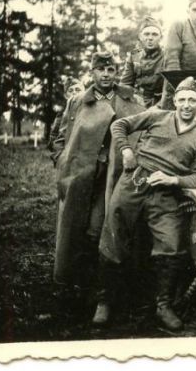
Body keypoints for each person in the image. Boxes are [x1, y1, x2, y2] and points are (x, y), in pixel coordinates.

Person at [94, 77, 196, 330]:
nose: (187, 105)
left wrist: (173, 179)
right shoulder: (157, 116)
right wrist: (126, 150)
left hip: (166, 194)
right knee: (114, 234)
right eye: (182, 99)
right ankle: (104, 302)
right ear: (174, 101)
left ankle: (163, 305)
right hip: (134, 181)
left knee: (171, 244)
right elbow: (120, 125)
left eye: (192, 100)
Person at [50, 51, 144, 285]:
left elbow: (141, 133)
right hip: (81, 173)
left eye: (111, 69)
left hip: (115, 174)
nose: (106, 74)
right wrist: (62, 160)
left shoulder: (130, 100)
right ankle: (78, 279)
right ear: (92, 72)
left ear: (117, 72)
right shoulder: (78, 101)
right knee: (75, 225)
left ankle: (103, 283)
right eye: (101, 69)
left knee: (101, 226)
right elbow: (62, 136)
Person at [120, 16, 165, 108]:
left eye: (154, 34)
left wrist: (159, 106)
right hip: (138, 102)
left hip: (161, 103)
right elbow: (125, 84)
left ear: (161, 37)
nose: (150, 38)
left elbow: (171, 89)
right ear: (140, 37)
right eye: (146, 34)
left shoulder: (167, 56)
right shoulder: (134, 56)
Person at [48, 78, 85, 155]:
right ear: (65, 95)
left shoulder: (90, 111)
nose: (74, 93)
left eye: (78, 90)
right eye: (70, 91)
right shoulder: (61, 115)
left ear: (84, 92)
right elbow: (52, 140)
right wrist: (59, 154)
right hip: (66, 154)